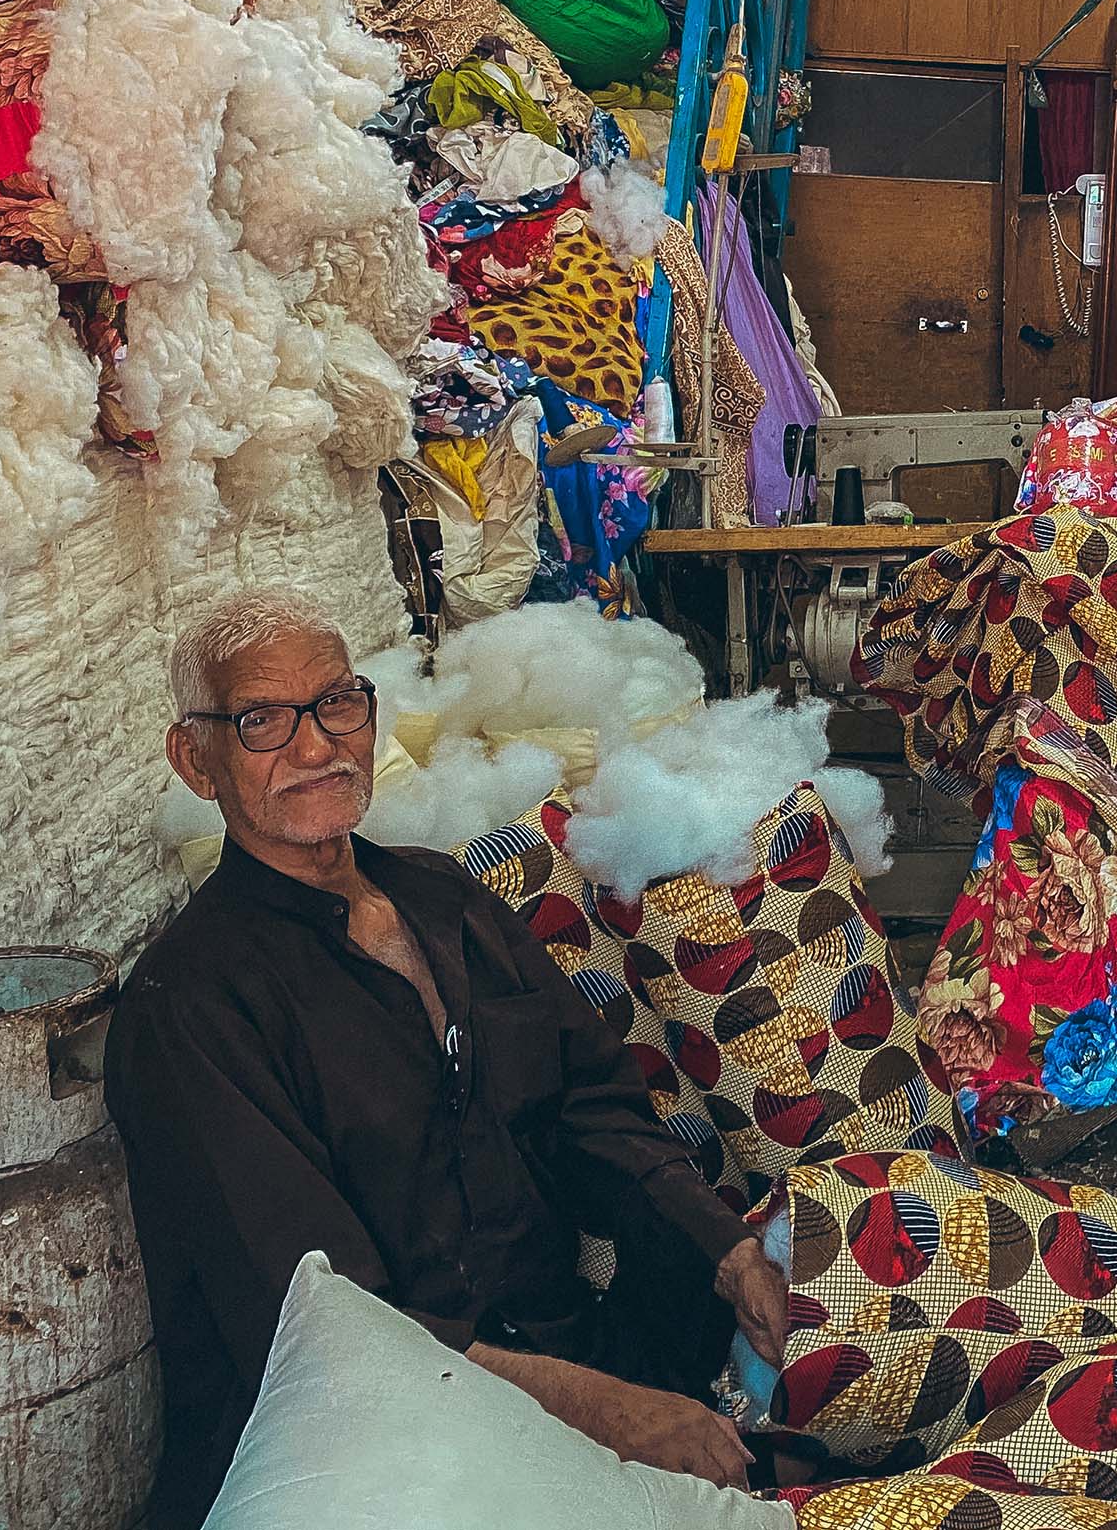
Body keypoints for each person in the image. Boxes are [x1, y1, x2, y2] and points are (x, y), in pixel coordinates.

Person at [108, 588, 792, 1528]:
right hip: (384, 1449)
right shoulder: (187, 1006)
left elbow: (591, 1106)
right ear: (198, 761)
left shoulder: (439, 895)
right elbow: (332, 1329)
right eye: (262, 721)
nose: (316, 748)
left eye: (336, 704)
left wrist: (726, 1251)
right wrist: (608, 1417)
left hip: (562, 1348)